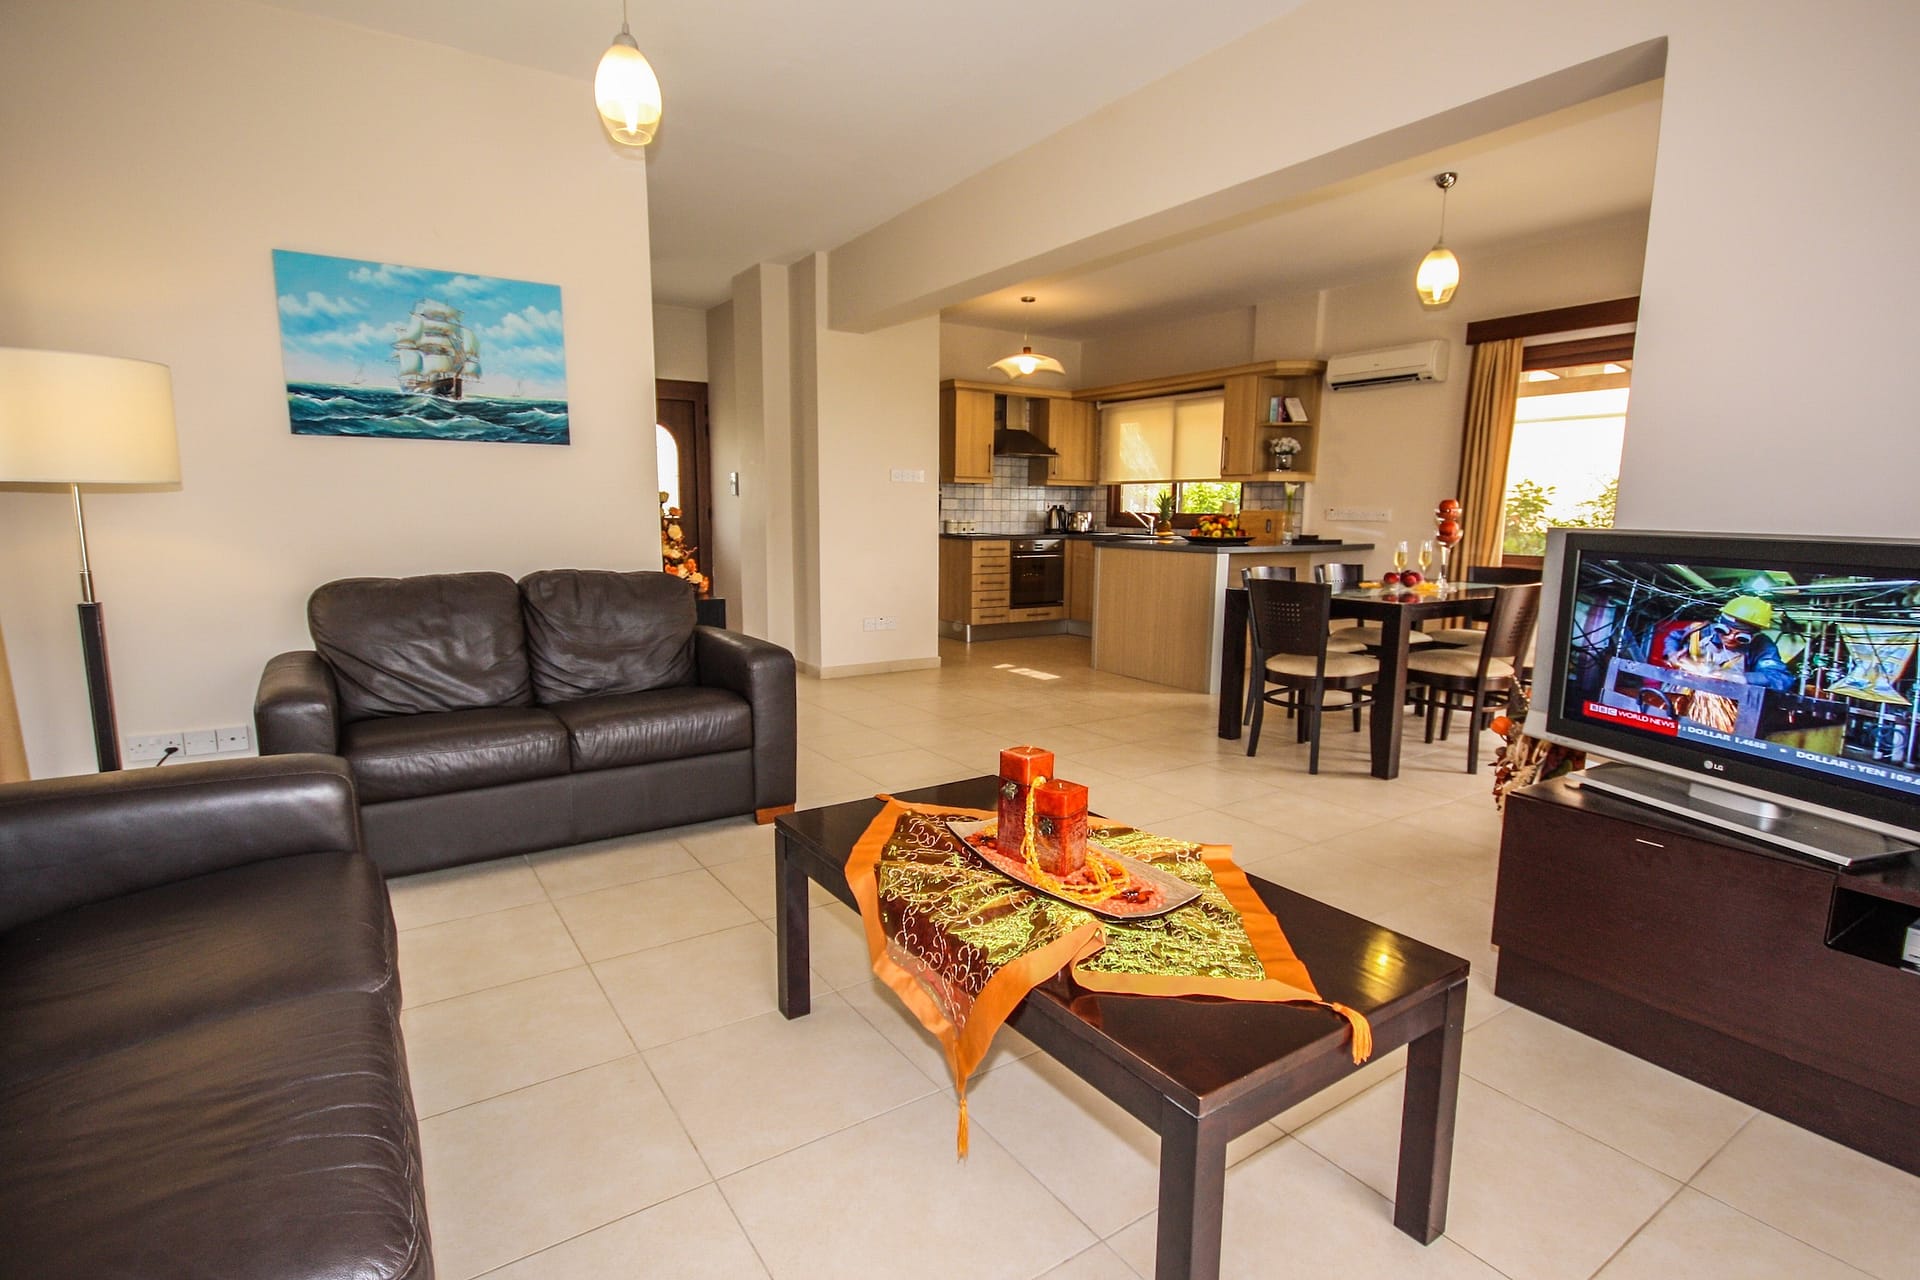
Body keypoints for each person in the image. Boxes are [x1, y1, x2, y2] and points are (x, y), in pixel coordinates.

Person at [1660, 595, 1795, 690]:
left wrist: (1736, 678)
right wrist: (1672, 653)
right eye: (1724, 631)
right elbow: (1674, 637)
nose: (1730, 638)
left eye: (1741, 637)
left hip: (1722, 703)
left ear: (1753, 635)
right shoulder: (1703, 630)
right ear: (1719, 623)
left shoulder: (1761, 645)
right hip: (1681, 689)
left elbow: (1781, 679)